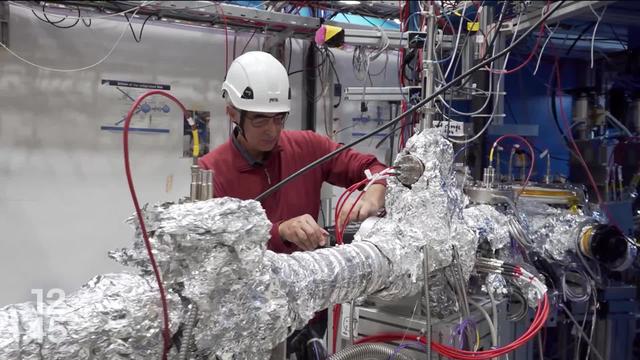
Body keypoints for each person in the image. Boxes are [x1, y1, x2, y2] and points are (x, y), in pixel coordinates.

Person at [198, 51, 387, 357]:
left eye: (278, 118)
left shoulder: (308, 147)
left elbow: (373, 166)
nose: (272, 130)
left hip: (308, 315)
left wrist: (375, 189)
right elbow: (217, 255)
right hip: (251, 323)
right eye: (259, 118)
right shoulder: (212, 171)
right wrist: (278, 232)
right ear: (233, 112)